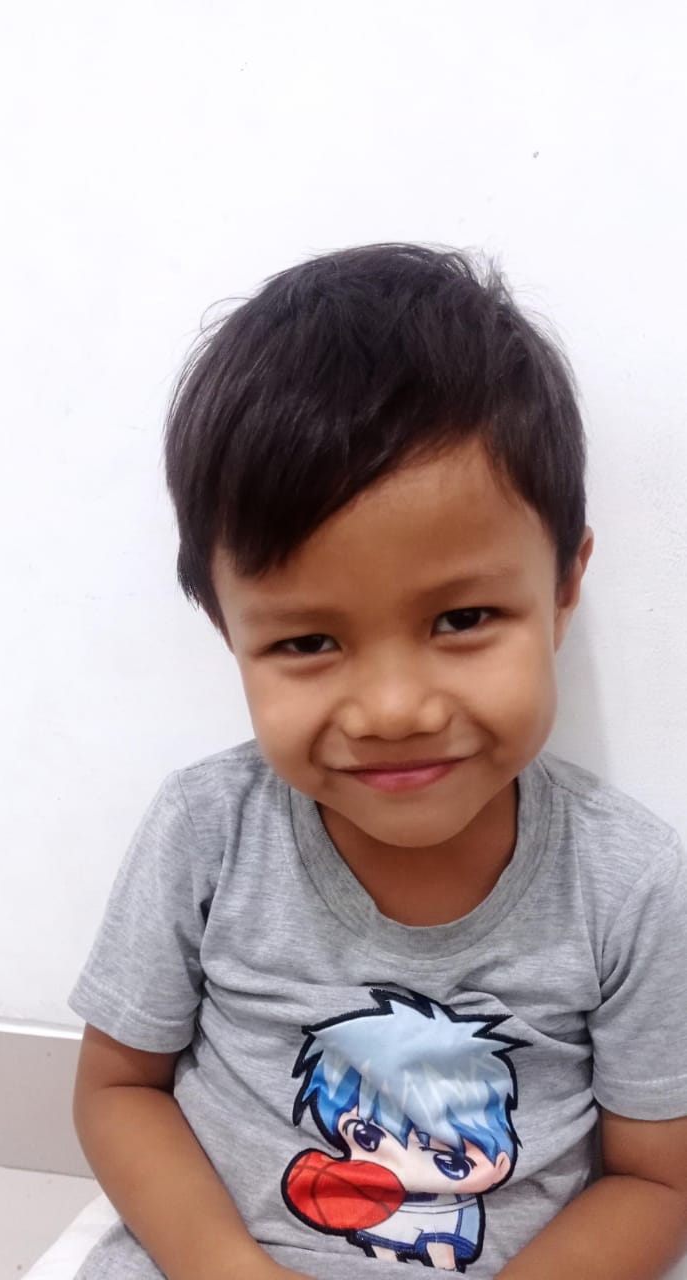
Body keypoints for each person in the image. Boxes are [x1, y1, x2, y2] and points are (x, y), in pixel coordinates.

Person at [69, 244, 687, 1280]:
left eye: (462, 618)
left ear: (562, 586)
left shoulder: (627, 880)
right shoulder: (206, 830)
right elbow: (117, 1088)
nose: (394, 710)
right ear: (228, 629)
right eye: (308, 640)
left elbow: (654, 1178)